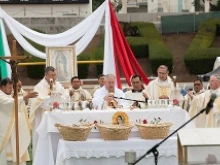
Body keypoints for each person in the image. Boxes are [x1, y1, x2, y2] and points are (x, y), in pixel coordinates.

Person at [29, 66, 68, 156]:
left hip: (57, 117)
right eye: (52, 75)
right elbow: (37, 101)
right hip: (42, 117)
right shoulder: (39, 87)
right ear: (46, 75)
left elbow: (65, 96)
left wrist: (59, 97)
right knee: (42, 140)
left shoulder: (58, 85)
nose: (54, 77)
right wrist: (51, 103)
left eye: (55, 75)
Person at [0, 78, 37, 165]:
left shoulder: (10, 93)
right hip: (5, 130)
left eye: (12, 87)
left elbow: (20, 97)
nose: (11, 90)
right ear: (2, 87)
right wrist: (24, 97)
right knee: (7, 156)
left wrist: (25, 96)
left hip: (15, 129)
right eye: (9, 88)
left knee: (18, 148)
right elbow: (10, 102)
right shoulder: (1, 95)